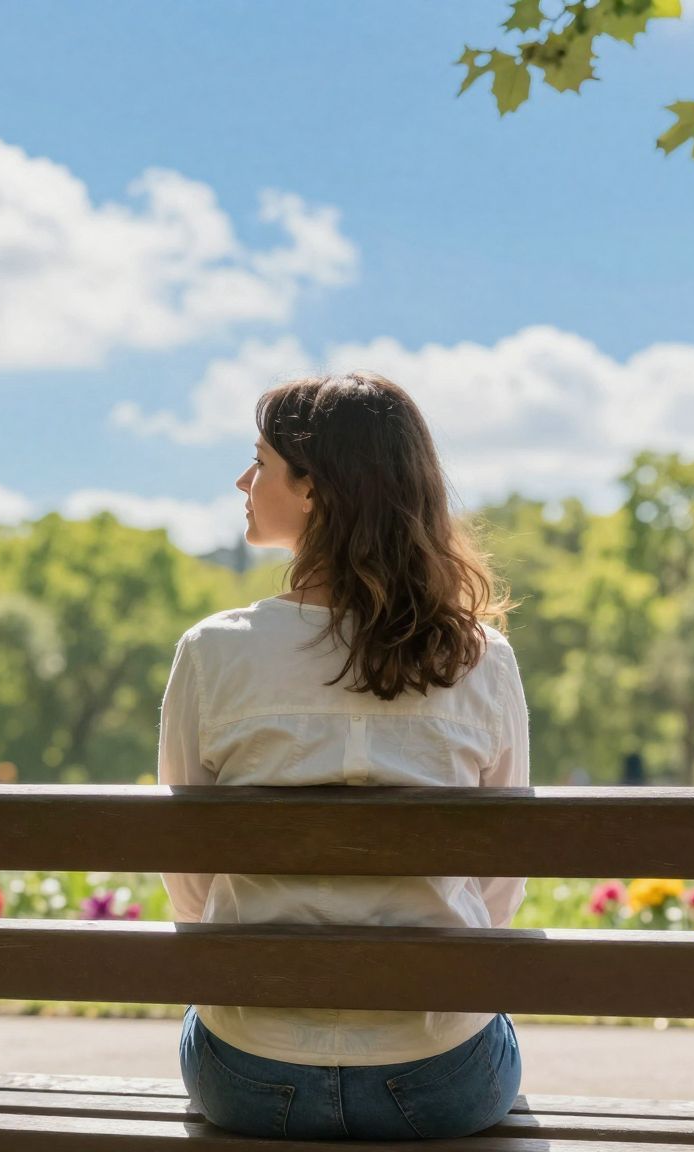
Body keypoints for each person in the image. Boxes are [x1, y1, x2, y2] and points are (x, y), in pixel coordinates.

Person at [159, 371, 528, 1141]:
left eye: (259, 460)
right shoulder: (481, 659)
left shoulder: (212, 653)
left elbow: (187, 879)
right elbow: (501, 882)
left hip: (251, 1070)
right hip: (438, 1073)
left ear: (314, 489)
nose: (242, 479)